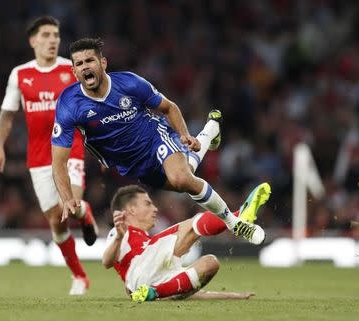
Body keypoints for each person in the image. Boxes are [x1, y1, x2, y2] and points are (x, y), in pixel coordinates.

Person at [51, 37, 264, 245]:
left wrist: (184, 134)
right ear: (74, 72)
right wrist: (68, 198)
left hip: (155, 138)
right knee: (185, 180)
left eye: (90, 60)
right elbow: (59, 161)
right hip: (132, 164)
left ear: (103, 63)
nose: (85, 66)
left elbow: (169, 107)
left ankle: (235, 224)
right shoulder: (69, 104)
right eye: (79, 63)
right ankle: (211, 130)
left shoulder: (130, 83)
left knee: (181, 178)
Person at [0, 16, 99, 295]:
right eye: (47, 35)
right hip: (38, 156)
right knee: (55, 220)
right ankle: (80, 276)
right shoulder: (20, 74)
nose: (53, 40)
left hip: (69, 147)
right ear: (33, 40)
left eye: (56, 35)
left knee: (69, 204)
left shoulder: (70, 69)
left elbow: (94, 101)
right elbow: (7, 114)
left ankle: (81, 211)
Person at [102, 183, 271, 302]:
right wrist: (118, 236)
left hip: (151, 288)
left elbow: (187, 291)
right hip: (140, 274)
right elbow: (106, 262)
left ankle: (155, 293)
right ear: (131, 209)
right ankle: (237, 217)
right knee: (190, 226)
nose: (155, 209)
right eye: (148, 204)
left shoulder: (147, 244)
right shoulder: (123, 232)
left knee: (210, 263)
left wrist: (233, 296)